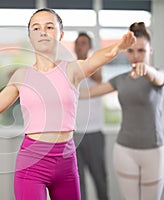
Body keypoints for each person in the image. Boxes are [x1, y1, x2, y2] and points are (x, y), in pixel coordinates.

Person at [0, 8, 135, 200]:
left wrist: (118, 47)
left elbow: (97, 58)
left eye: (49, 27)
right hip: (32, 164)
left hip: (66, 161)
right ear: (30, 37)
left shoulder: (72, 70)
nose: (43, 31)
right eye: (36, 28)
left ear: (60, 35)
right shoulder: (22, 75)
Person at [80, 22, 164, 200]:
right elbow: (86, 94)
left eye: (141, 51)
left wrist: (146, 69)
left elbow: (157, 77)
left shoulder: (157, 75)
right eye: (132, 51)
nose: (136, 56)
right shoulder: (120, 80)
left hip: (153, 151)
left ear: (150, 51)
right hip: (124, 150)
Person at [74, 32, 108, 200]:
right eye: (78, 43)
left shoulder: (95, 66)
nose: (80, 46)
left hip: (94, 133)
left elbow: (98, 77)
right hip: (74, 134)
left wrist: (86, 61)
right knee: (77, 182)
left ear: (90, 47)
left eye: (84, 43)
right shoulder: (71, 68)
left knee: (99, 178)